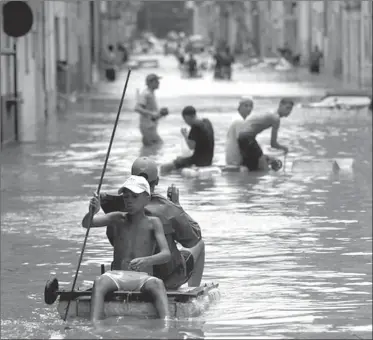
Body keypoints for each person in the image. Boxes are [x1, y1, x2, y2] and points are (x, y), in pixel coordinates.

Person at [101, 157, 205, 290]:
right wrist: (177, 205)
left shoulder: (116, 207)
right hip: (165, 278)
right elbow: (193, 238)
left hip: (123, 276)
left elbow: (113, 240)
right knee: (200, 245)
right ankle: (192, 292)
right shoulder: (168, 208)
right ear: (157, 181)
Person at [81, 175, 171, 323]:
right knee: (100, 282)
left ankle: (166, 324)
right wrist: (92, 211)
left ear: (147, 199)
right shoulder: (117, 218)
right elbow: (87, 224)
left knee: (158, 284)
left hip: (143, 277)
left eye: (134, 196)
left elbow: (166, 254)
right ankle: (95, 323)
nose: (129, 200)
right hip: (117, 276)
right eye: (126, 197)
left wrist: (147, 260)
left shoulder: (154, 223)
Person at [238, 98, 294, 171]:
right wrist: (284, 148)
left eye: (290, 109)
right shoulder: (276, 118)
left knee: (252, 167)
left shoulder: (271, 113)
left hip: (241, 136)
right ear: (280, 105)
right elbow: (273, 144)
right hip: (247, 137)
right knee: (264, 169)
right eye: (287, 108)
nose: (288, 111)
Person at [160, 106, 214, 174]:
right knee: (180, 159)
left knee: (164, 167)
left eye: (185, 120)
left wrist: (185, 135)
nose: (186, 123)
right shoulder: (207, 122)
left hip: (198, 161)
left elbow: (191, 146)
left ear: (186, 117)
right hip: (208, 160)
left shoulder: (195, 126)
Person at [134, 74, 169, 146]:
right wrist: (152, 113)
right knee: (159, 145)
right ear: (150, 83)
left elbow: (151, 115)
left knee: (149, 150)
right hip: (148, 127)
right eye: (156, 81)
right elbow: (137, 108)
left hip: (150, 126)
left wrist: (161, 114)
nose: (159, 83)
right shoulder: (146, 94)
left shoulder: (151, 93)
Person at [225, 98, 254, 166]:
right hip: (236, 160)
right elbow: (243, 142)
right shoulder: (239, 121)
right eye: (246, 106)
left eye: (251, 106)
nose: (249, 108)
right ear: (239, 107)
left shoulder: (237, 118)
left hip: (231, 158)